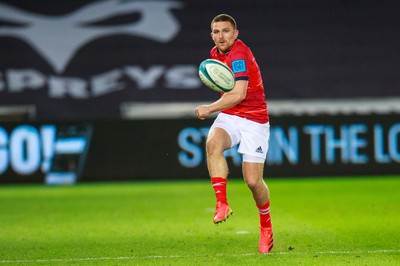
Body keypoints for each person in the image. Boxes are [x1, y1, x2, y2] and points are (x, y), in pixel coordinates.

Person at [195, 14, 274, 254]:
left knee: (252, 181)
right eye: (216, 31)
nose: (221, 36)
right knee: (213, 144)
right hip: (231, 115)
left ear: (235, 33)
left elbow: (239, 93)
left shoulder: (239, 53)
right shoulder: (215, 55)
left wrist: (209, 108)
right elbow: (228, 94)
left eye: (226, 31)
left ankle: (266, 227)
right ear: (211, 35)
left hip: (254, 119)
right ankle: (221, 203)